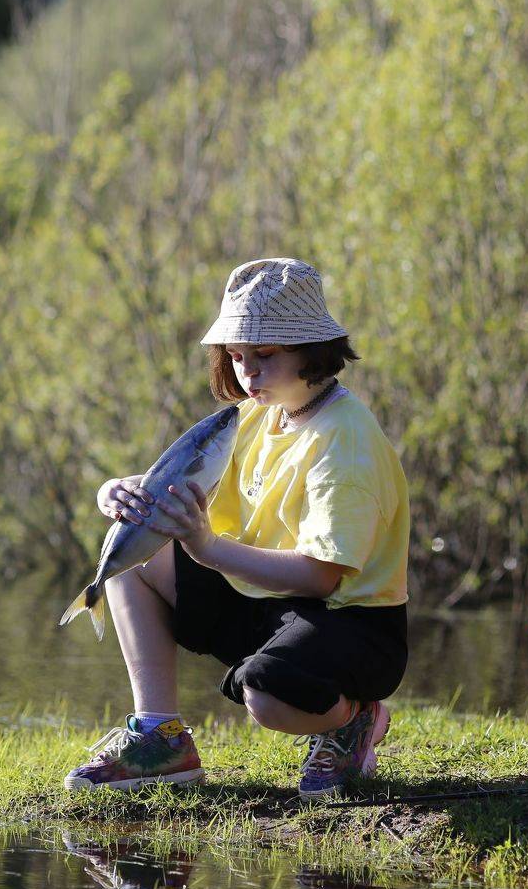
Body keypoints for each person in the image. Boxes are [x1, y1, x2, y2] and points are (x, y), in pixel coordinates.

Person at [64, 257, 410, 799]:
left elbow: (321, 577)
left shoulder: (345, 440)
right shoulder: (254, 414)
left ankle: (355, 719)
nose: (248, 373)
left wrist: (207, 548)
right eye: (236, 356)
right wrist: (115, 492)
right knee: (130, 550)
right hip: (263, 600)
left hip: (350, 622)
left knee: (267, 698)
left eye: (265, 355)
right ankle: (160, 736)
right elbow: (174, 489)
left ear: (312, 349)